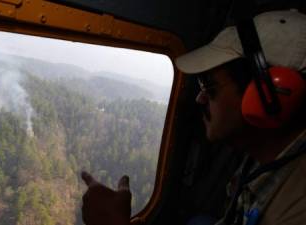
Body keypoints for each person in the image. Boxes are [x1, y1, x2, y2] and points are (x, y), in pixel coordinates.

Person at [80, 9, 306, 225]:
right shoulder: (259, 155)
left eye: (209, 86)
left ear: (270, 95)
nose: (199, 98)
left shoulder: (293, 214)